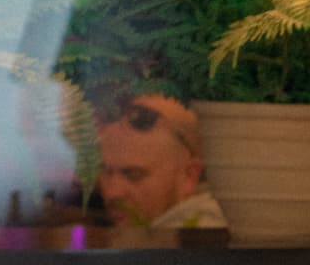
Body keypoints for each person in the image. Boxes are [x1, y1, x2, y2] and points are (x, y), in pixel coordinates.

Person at [94, 95, 225, 228]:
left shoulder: (202, 238)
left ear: (189, 175)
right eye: (106, 172)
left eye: (134, 175)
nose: (112, 192)